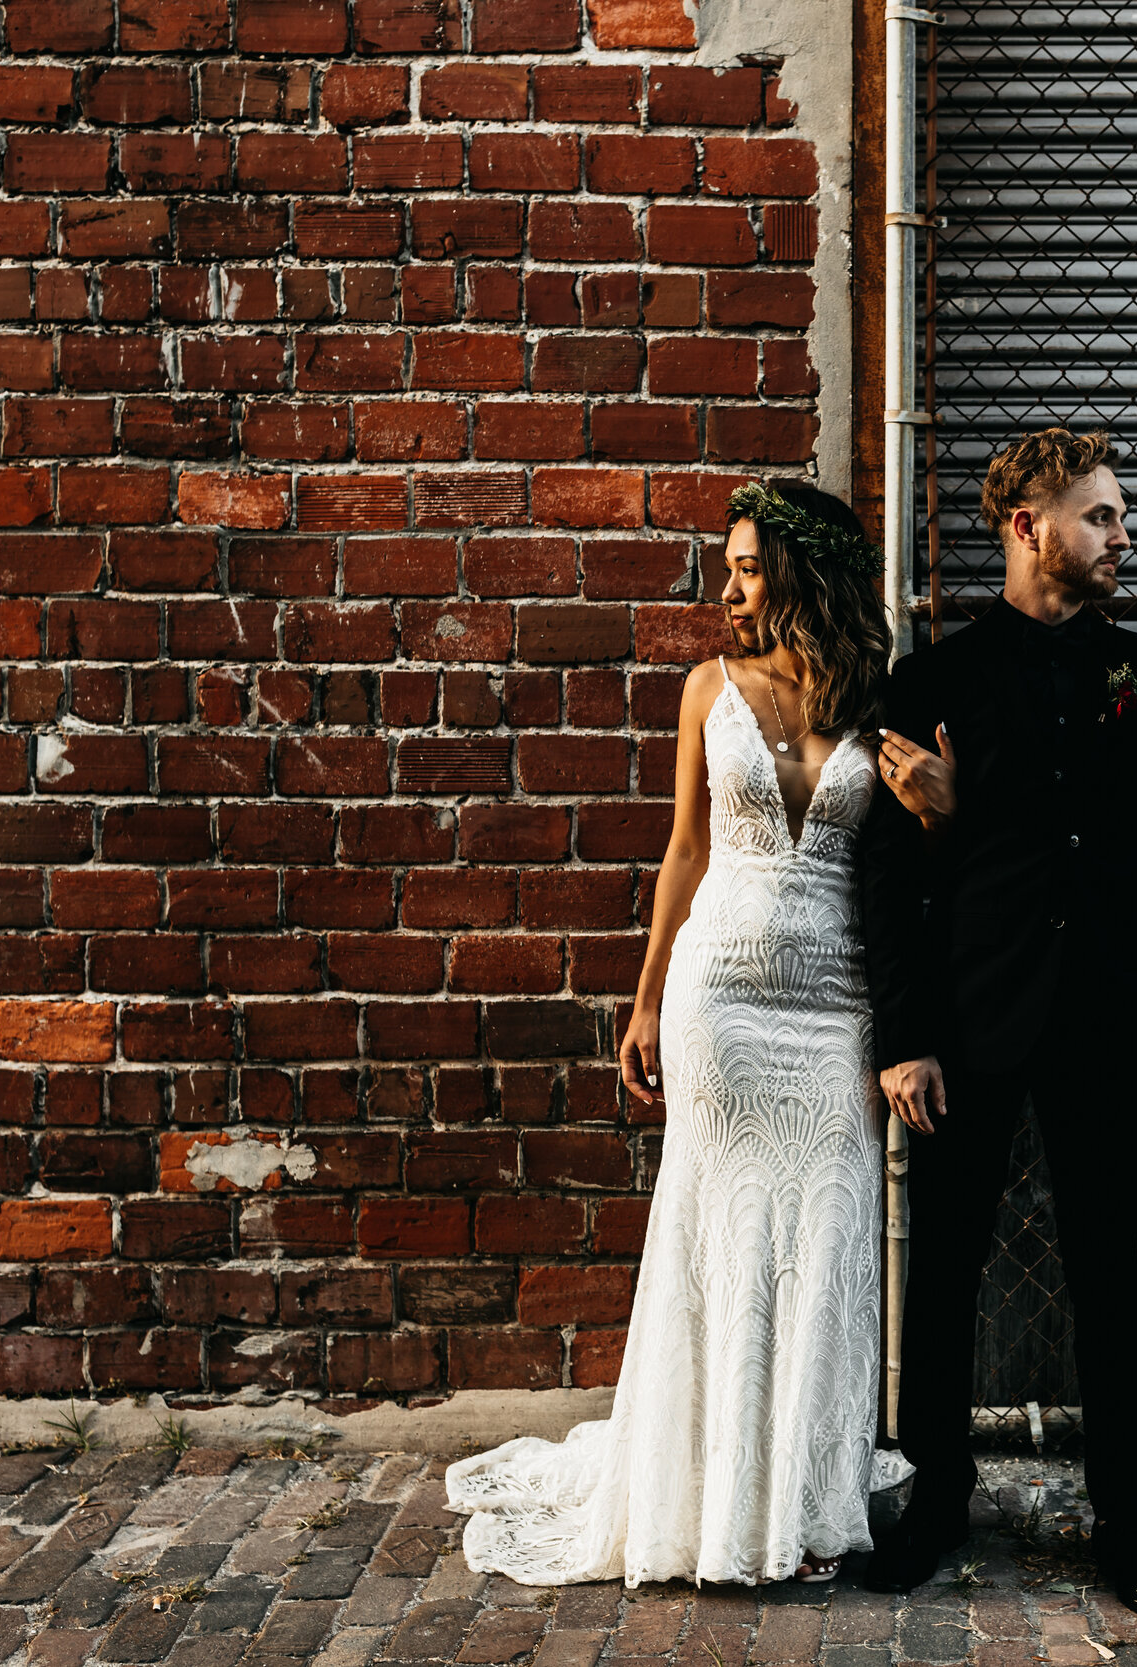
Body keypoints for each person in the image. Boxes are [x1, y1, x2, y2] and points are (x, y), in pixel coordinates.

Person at [445, 481, 909, 1587]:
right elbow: (686, 850)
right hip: (723, 1001)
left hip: (839, 1006)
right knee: (719, 1237)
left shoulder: (878, 701)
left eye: (748, 567)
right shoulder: (708, 688)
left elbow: (912, 867)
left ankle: (799, 1499)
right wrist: (648, 996)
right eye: (730, 568)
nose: (729, 589)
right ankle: (706, 1498)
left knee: (827, 1242)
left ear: (800, 572)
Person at [859, 428, 1137, 1610]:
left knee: (1107, 1264)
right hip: (970, 1015)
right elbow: (889, 875)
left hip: (1105, 1010)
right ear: (1027, 526)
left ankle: (1122, 1518)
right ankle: (937, 1498)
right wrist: (904, 1034)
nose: (1123, 537)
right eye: (1101, 515)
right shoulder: (933, 680)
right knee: (945, 1264)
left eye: (1120, 515)